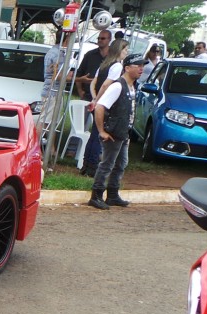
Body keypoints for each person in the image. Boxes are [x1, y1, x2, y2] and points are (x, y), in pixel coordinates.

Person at [88, 53, 146, 210]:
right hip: (113, 132)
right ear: (127, 68)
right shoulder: (118, 86)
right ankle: (96, 195)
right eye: (138, 65)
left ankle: (112, 194)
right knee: (107, 163)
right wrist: (101, 131)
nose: (142, 68)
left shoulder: (132, 86)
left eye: (142, 66)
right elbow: (100, 107)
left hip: (122, 133)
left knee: (121, 164)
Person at [76, 29, 110, 177]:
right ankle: (81, 157)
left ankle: (89, 163)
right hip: (90, 96)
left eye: (103, 38)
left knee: (96, 131)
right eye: (99, 38)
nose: (100, 40)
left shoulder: (112, 60)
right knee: (83, 126)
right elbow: (79, 75)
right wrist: (81, 91)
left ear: (109, 40)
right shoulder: (90, 55)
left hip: (102, 100)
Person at [40, 31, 71, 128]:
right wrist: (78, 79)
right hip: (53, 92)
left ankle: (51, 144)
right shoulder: (58, 54)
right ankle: (35, 143)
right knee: (45, 123)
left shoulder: (55, 51)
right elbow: (59, 76)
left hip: (51, 90)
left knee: (51, 123)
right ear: (67, 38)